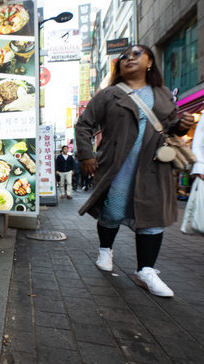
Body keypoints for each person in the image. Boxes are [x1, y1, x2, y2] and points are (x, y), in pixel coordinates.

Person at [75, 45, 195, 297]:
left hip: (153, 166)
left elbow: (170, 127)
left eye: (137, 54)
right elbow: (84, 124)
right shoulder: (108, 94)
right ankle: (105, 249)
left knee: (152, 216)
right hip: (118, 165)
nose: (129, 58)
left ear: (150, 62)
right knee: (112, 210)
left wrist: (180, 126)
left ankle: (146, 271)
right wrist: (86, 154)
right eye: (124, 57)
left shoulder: (162, 94)